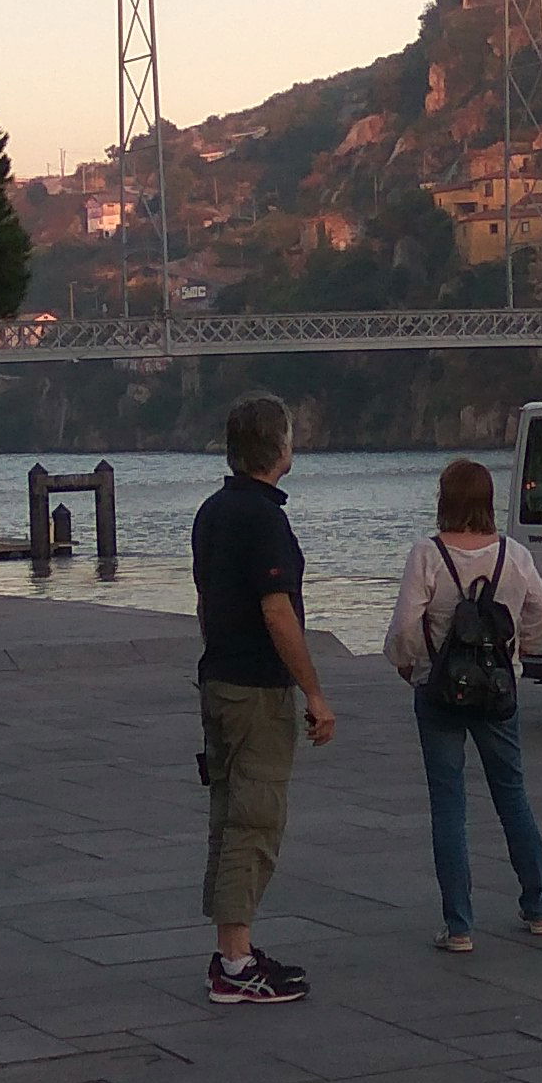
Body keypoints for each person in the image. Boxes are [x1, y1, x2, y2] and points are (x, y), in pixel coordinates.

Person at [381, 456, 542, 950]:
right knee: (512, 796)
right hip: (498, 692)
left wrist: (408, 664)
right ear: (487, 501)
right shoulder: (515, 556)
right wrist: (518, 654)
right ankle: (537, 906)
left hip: (438, 691)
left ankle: (459, 925)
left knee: (449, 805)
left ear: (444, 499)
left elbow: (404, 627)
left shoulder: (427, 555)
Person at [188, 398, 329, 1002]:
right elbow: (278, 611)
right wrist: (315, 692)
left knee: (230, 814)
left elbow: (205, 599)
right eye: (291, 439)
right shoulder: (263, 519)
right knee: (256, 818)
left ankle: (231, 947)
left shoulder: (212, 512)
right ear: (278, 448)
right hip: (254, 691)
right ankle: (237, 961)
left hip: (218, 679)